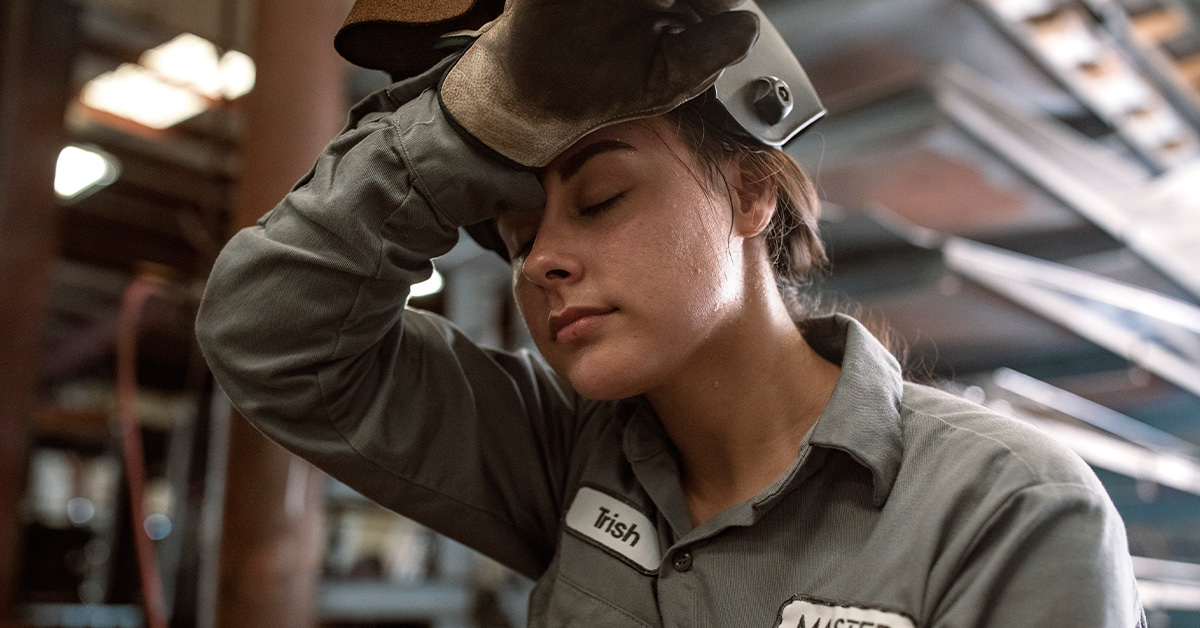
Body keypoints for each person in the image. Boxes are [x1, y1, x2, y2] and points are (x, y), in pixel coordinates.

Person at [196, 1, 1147, 625]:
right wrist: (441, 137)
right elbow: (270, 335)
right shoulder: (566, 454)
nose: (544, 262)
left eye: (601, 198)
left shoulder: (1004, 510)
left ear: (748, 196)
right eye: (518, 236)